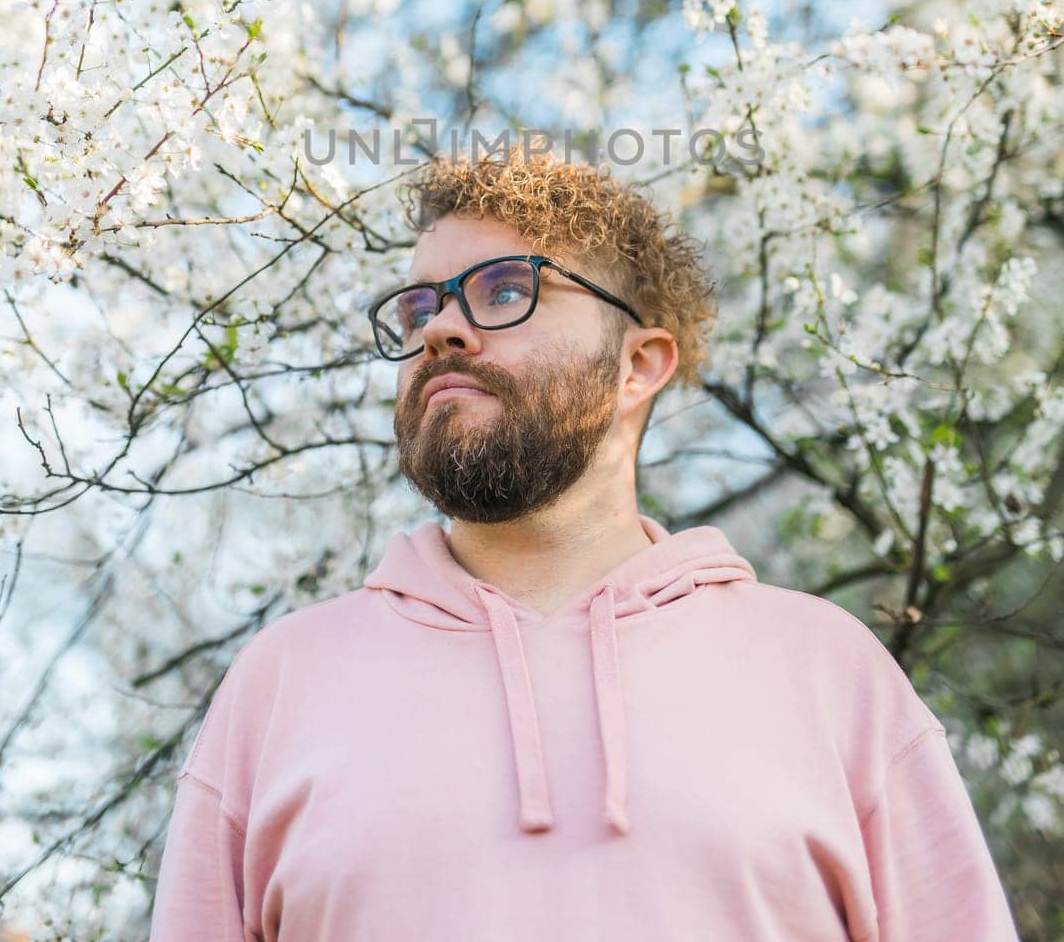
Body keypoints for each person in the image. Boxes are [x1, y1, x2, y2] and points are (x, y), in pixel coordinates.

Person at [148, 150, 1022, 941]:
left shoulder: (829, 670)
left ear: (639, 364)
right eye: (421, 306)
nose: (441, 330)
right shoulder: (281, 684)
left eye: (503, 289)